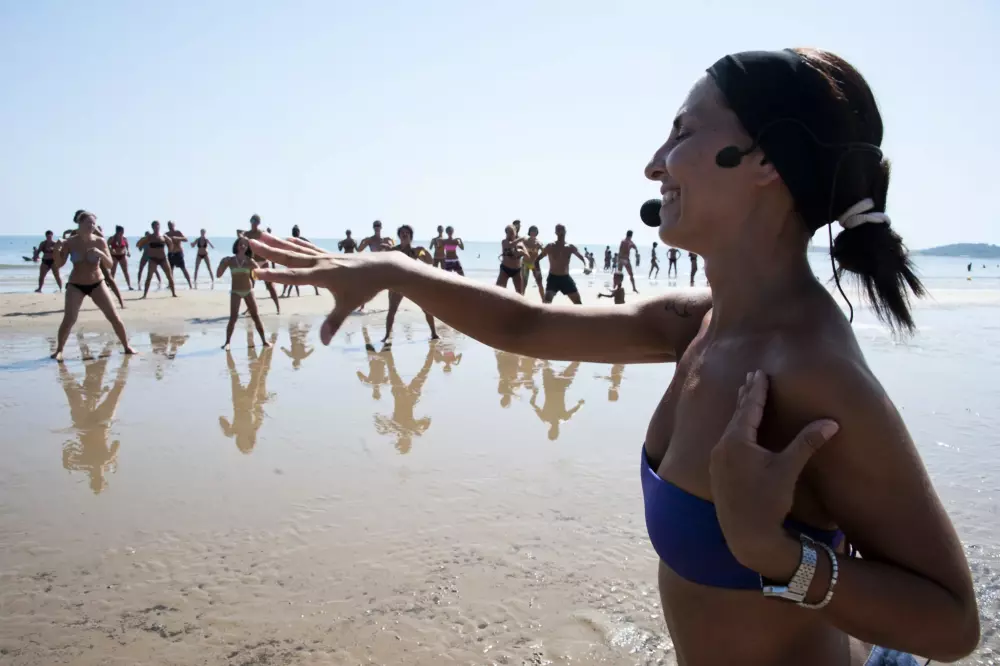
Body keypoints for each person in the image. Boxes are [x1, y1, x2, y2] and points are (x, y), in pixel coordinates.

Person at [249, 46, 981, 666]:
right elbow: (531, 326)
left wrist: (777, 555)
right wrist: (395, 270)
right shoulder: (700, 322)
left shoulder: (809, 370)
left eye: (681, 132)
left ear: (763, 158)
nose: (653, 165)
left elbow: (952, 626)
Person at [50, 211, 136, 361]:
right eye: (88, 223)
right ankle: (59, 350)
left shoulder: (100, 241)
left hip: (97, 283)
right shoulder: (70, 242)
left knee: (114, 316)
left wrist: (100, 254)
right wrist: (57, 250)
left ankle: (127, 347)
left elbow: (109, 264)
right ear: (80, 223)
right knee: (69, 319)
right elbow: (59, 264)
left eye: (93, 223)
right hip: (76, 285)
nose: (92, 226)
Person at [381, 225, 438, 343]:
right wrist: (384, 248)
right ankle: (386, 336)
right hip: (397, 284)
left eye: (407, 232)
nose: (404, 234)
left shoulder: (415, 251)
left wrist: (425, 251)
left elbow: (430, 262)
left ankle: (434, 333)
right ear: (399, 235)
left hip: (412, 283)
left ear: (411, 236)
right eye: (402, 232)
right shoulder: (394, 250)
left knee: (426, 308)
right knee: (392, 310)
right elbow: (383, 261)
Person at [218, 237, 270, 350]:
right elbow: (218, 274)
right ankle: (227, 342)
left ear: (247, 248)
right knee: (233, 318)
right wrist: (222, 263)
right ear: (236, 246)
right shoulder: (230, 260)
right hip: (235, 292)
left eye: (245, 245)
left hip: (248, 291)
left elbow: (259, 275)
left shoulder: (250, 261)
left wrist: (261, 268)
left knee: (255, 316)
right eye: (240, 244)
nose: (243, 246)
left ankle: (264, 341)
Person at [537, 224, 587, 304]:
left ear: (565, 231)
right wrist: (538, 273)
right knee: (546, 303)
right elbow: (537, 260)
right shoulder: (550, 246)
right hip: (553, 278)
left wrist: (586, 266)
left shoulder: (570, 247)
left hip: (565, 278)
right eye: (558, 230)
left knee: (578, 303)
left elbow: (583, 258)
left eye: (562, 229)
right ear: (555, 232)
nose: (561, 231)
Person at [243, 214, 280, 313]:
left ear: (258, 223)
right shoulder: (247, 234)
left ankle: (278, 307)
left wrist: (273, 260)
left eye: (256, 222)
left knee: (270, 286)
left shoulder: (262, 234)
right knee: (250, 286)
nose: (254, 223)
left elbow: (271, 246)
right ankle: (249, 308)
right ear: (250, 222)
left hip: (263, 262)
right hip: (253, 262)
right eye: (252, 221)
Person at [136, 222, 176, 298]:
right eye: (155, 226)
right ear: (153, 227)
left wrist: (170, 251)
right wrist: (141, 244)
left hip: (163, 259)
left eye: (158, 226)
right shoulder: (150, 237)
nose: (157, 228)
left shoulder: (163, 236)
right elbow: (139, 244)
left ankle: (173, 293)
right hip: (153, 259)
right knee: (149, 277)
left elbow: (170, 243)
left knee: (169, 276)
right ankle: (144, 295)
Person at [281, 225, 320, 297]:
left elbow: (283, 247)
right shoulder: (300, 239)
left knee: (289, 276)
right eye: (296, 231)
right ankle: (316, 291)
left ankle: (284, 292)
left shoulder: (291, 239)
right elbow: (311, 244)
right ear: (298, 232)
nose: (296, 232)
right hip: (298, 259)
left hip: (294, 260)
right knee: (310, 275)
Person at [496, 224, 525, 293]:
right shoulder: (504, 242)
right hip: (505, 269)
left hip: (516, 270)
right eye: (508, 233)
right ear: (506, 233)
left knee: (519, 293)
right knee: (499, 291)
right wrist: (520, 239)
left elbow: (527, 255)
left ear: (515, 233)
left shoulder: (520, 244)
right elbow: (510, 245)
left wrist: (522, 252)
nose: (510, 235)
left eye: (512, 233)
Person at [520, 225, 545, 299]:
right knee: (524, 283)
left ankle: (544, 301)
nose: (533, 232)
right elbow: (519, 248)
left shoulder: (538, 242)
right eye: (532, 231)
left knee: (539, 282)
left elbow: (545, 252)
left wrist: (538, 258)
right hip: (525, 263)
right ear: (529, 232)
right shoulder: (525, 241)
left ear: (537, 232)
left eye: (535, 231)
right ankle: (521, 299)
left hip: (535, 264)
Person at [165, 221, 193, 289]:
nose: (170, 226)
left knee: (183, 269)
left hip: (178, 253)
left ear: (174, 225)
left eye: (171, 225)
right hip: (170, 254)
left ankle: (190, 284)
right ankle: (170, 284)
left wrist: (177, 238)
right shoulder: (166, 234)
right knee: (170, 270)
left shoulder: (178, 232)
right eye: (169, 225)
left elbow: (185, 239)